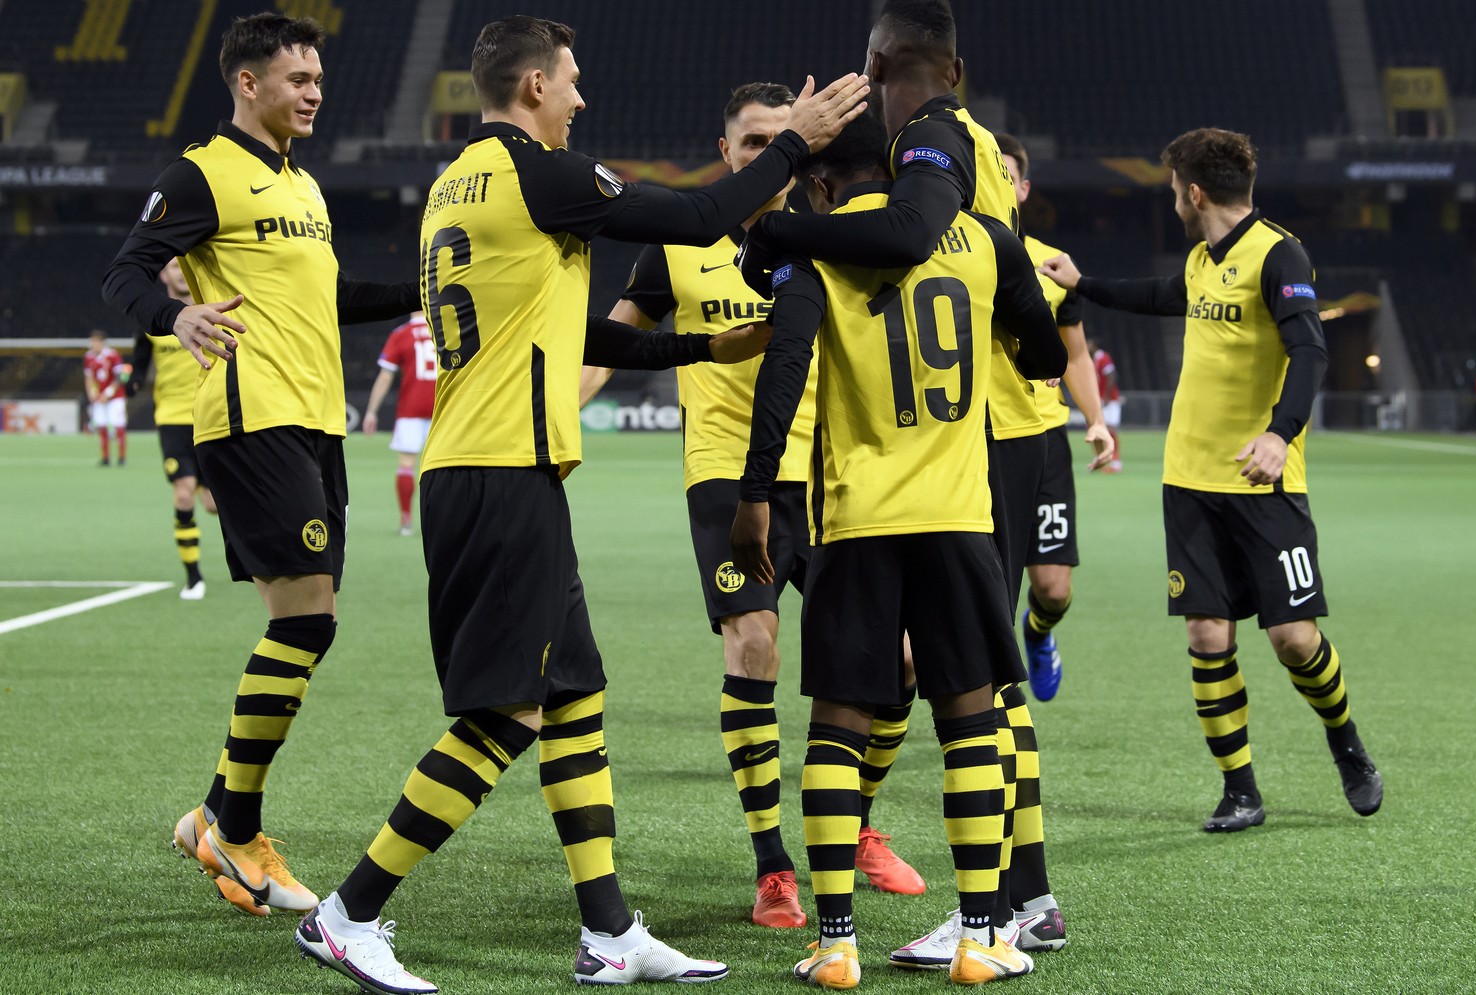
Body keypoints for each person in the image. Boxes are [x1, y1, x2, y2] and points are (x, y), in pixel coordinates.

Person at [292, 17, 869, 993]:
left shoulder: (454, 185)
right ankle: (347, 911)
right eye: (569, 81)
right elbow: (699, 216)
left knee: (574, 700)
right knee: (502, 715)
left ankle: (609, 930)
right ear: (529, 88)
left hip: (494, 464)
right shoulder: (539, 173)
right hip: (498, 469)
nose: (581, 97)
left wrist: (698, 348)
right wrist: (797, 137)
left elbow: (577, 333)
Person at [740, 0, 1072, 965]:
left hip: (854, 518)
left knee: (840, 725)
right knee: (971, 715)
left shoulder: (817, 253)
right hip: (961, 509)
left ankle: (837, 942)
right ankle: (983, 934)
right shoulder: (988, 239)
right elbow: (1045, 353)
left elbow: (785, 373)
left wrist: (758, 494)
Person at [582, 81, 924, 933]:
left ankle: (855, 822)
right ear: (728, 148)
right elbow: (616, 337)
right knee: (757, 642)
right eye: (751, 141)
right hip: (725, 477)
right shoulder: (680, 241)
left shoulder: (832, 232)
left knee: (904, 662)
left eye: (782, 137)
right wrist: (553, 412)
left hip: (835, 470)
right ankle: (774, 863)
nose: (766, 152)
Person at [102, 12, 420, 916]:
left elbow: (335, 295)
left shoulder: (304, 188)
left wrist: (423, 287)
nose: (314, 90)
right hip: (250, 417)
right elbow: (126, 271)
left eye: (317, 76)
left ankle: (218, 816)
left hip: (316, 424)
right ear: (248, 83)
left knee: (308, 623)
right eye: (297, 77)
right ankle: (231, 826)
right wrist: (176, 318)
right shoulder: (202, 172)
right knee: (306, 621)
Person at [1037, 127, 1383, 831]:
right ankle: (1240, 788)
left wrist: (1279, 436)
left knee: (1294, 638)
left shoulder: (1278, 253)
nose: (1172, 202)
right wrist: (1085, 284)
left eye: (1172, 190)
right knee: (1206, 634)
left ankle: (1346, 743)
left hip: (1264, 482)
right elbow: (1161, 294)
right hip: (1189, 481)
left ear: (1194, 191)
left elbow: (1311, 350)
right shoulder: (1200, 261)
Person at [992, 133, 1114, 703]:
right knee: (987, 584)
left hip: (1043, 441)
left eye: (1008, 173)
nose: (1000, 181)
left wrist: (1095, 419)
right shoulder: (947, 250)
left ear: (1023, 186)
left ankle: (1038, 634)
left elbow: (1078, 354)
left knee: (1053, 588)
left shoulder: (1053, 264)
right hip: (980, 440)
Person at [127, 259, 221, 600]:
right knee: (183, 493)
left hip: (209, 414)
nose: (179, 272)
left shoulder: (210, 307)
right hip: (171, 419)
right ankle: (194, 577)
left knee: (212, 504)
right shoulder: (154, 316)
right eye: (172, 268)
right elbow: (140, 357)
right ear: (163, 275)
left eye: (184, 267)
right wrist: (135, 379)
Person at [361, 311, 437, 536]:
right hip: (444, 406)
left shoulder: (402, 333)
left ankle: (406, 520)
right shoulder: (445, 327)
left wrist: (371, 412)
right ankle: (445, 520)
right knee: (446, 466)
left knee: (406, 464)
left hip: (411, 408)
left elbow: (386, 376)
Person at [83, 331, 128, 466]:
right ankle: (105, 458)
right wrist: (91, 392)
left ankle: (121, 458)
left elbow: (120, 377)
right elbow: (89, 377)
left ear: (102, 343)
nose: (94, 345)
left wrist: (108, 393)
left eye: (96, 342)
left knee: (118, 424)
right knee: (101, 425)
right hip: (99, 398)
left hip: (115, 397)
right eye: (92, 342)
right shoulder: (88, 357)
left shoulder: (113, 355)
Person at [1086, 335, 1122, 470]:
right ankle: (1100, 458)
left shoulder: (1103, 358)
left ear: (1094, 345)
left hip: (1109, 400)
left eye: (1088, 343)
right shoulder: (1093, 359)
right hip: (1100, 399)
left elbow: (1112, 375)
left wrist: (1106, 397)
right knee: (1096, 429)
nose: (1086, 346)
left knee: (1110, 430)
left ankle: (1115, 461)